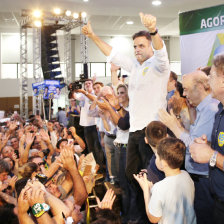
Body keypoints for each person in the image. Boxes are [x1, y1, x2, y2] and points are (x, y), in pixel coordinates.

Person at [82, 13, 170, 222]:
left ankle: (155, 215)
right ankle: (140, 213)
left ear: (150, 46)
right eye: (135, 46)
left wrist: (153, 30)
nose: (137, 49)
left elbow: (160, 49)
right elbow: (112, 54)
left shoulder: (159, 65)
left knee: (153, 178)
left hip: (153, 131)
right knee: (132, 175)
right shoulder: (135, 66)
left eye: (141, 45)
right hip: (135, 131)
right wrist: (93, 36)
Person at [159, 70, 219, 224]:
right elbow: (193, 138)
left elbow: (197, 148)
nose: (184, 94)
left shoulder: (210, 110)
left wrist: (175, 127)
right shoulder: (202, 109)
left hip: (206, 180)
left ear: (199, 87)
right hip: (199, 178)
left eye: (186, 89)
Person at [190, 54, 224, 224]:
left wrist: (211, 155)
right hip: (217, 198)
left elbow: (216, 156)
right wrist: (208, 146)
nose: (208, 79)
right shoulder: (220, 110)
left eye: (212, 75)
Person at [134, 137, 196, 224]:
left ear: (163, 163)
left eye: (156, 157)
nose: (155, 159)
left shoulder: (159, 188)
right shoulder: (186, 175)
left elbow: (153, 219)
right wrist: (153, 189)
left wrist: (146, 190)